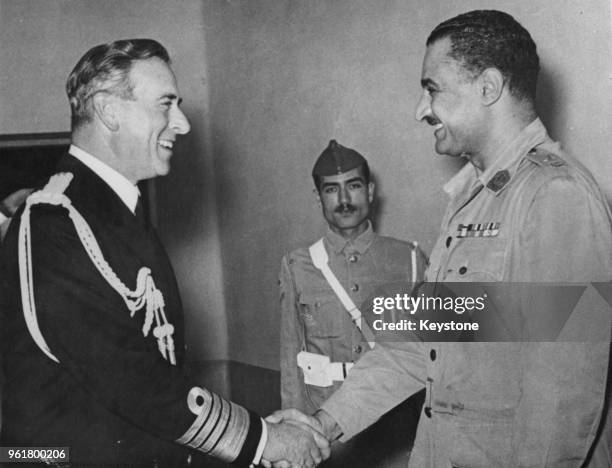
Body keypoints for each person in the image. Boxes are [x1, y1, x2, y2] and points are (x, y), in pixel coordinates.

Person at [270, 10, 612, 467]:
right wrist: (324, 425)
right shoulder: (473, 198)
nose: (420, 109)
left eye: (432, 89)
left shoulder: (555, 196)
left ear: (488, 87)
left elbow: (563, 397)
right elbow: (418, 342)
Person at [0, 39, 328, 468]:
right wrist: (262, 439)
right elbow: (129, 377)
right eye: (165, 104)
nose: (184, 123)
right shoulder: (53, 222)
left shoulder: (114, 213)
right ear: (108, 111)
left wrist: (257, 434)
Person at [279, 139, 426, 414]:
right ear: (318, 197)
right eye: (332, 190)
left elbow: (428, 353)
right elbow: (291, 360)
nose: (344, 200)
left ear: (370, 191)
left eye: (354, 186)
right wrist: (295, 424)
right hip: (325, 417)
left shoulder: (409, 259)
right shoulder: (297, 266)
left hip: (393, 418)